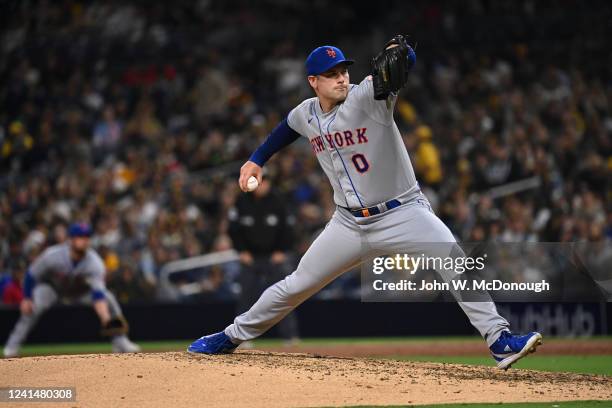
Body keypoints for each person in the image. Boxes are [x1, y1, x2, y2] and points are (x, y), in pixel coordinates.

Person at [188, 39, 542, 370]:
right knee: (296, 285)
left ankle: (499, 340)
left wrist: (404, 55)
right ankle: (230, 336)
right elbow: (285, 129)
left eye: (344, 71)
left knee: (454, 260)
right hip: (348, 225)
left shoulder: (368, 97)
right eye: (331, 74)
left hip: (403, 212)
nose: (342, 78)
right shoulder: (306, 113)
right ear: (313, 81)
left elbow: (399, 70)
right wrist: (256, 159)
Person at [3, 223, 140, 358]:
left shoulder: (95, 262)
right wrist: (27, 298)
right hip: (52, 288)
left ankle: (120, 342)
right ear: (71, 239)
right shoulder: (53, 255)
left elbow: (98, 294)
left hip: (80, 292)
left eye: (87, 236)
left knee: (109, 298)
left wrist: (105, 319)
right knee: (34, 306)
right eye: (80, 236)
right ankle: (12, 346)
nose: (84, 240)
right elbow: (31, 275)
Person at [228, 177, 299, 343]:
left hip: (274, 257)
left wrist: (282, 250)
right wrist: (241, 251)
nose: (262, 186)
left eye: (265, 182)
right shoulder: (241, 202)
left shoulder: (278, 201)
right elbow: (233, 229)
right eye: (260, 182)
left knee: (284, 296)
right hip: (249, 258)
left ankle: (290, 336)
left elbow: (288, 229)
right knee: (246, 296)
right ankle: (240, 338)